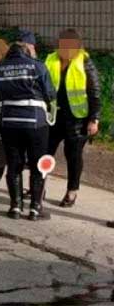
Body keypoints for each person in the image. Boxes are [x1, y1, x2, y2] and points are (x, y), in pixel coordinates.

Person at [0, 30, 55, 220]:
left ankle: (15, 207)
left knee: (14, 164)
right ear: (27, 50)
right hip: (35, 122)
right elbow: (50, 94)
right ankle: (35, 208)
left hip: (9, 122)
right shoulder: (38, 67)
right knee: (38, 165)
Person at [45, 29, 101, 208]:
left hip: (77, 119)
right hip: (53, 116)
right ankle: (38, 187)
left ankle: (72, 191)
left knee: (73, 156)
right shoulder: (50, 59)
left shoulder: (84, 62)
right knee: (44, 152)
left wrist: (94, 119)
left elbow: (94, 93)